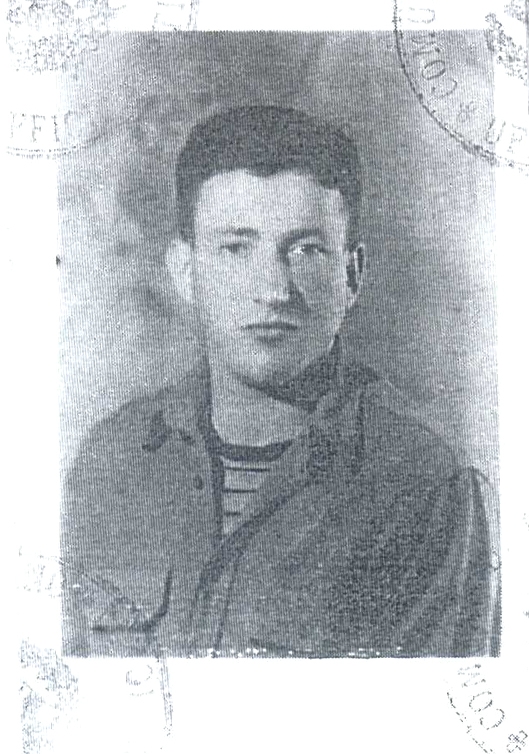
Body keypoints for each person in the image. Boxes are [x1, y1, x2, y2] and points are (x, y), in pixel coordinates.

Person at [62, 105, 500, 658]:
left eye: (306, 250)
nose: (273, 288)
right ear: (184, 271)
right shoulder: (108, 465)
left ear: (352, 275)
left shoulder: (425, 490)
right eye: (235, 247)